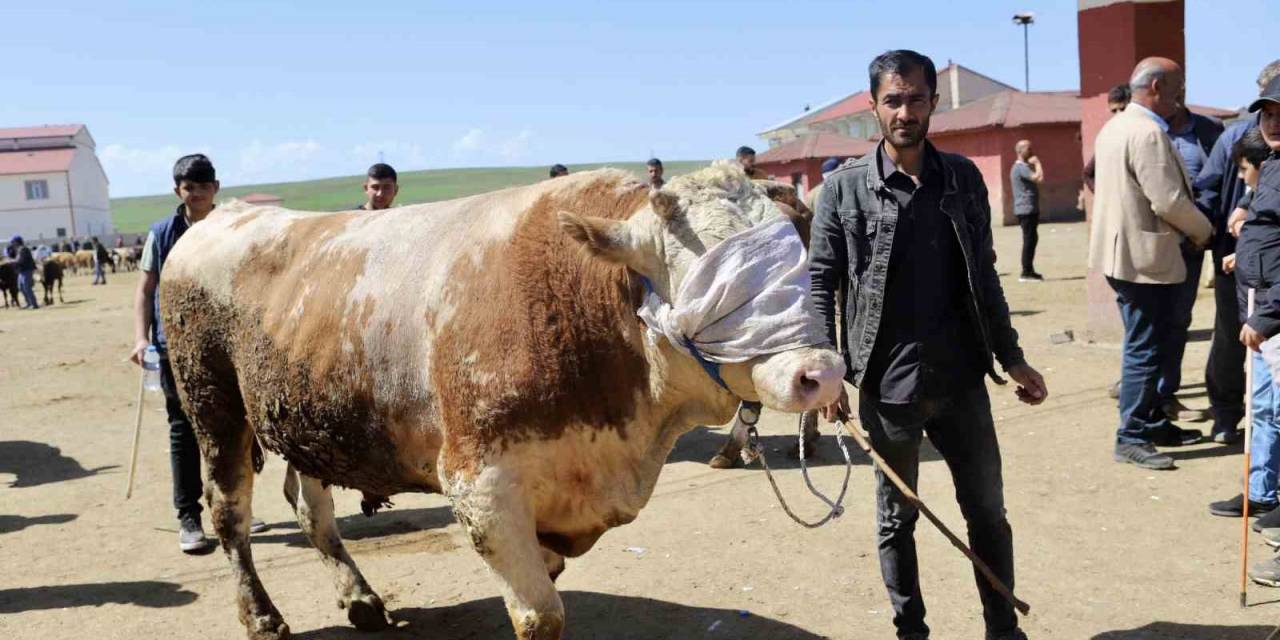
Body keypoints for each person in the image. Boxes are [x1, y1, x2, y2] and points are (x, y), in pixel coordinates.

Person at [811, 49, 1046, 640]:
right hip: (887, 387)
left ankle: (1003, 631)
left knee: (988, 514)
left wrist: (1011, 357)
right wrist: (826, 372)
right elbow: (821, 283)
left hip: (962, 379)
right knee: (897, 520)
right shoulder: (841, 191)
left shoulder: (962, 179)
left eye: (916, 98)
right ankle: (910, 631)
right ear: (874, 107)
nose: (905, 111)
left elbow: (985, 275)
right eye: (893, 99)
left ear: (933, 103)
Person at [129, 154, 266, 554]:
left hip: (230, 349)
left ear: (216, 188)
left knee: (241, 430)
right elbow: (145, 289)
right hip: (177, 348)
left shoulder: (234, 229)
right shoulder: (163, 233)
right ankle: (188, 514)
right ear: (179, 191)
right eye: (190, 187)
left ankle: (235, 503)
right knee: (184, 431)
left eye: (204, 187)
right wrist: (141, 338)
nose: (198, 194)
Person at [1088, 57, 1214, 470]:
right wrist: (1204, 231)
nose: (1181, 97)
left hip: (1125, 254)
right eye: (1177, 89)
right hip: (1143, 258)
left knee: (1152, 344)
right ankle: (1132, 435)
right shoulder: (1145, 133)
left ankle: (1154, 422)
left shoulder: (1118, 126)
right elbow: (1169, 201)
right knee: (1145, 348)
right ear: (1156, 87)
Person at [1196, 59, 1280, 444]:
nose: (1272, 119)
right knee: (1231, 338)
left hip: (1269, 269)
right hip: (1238, 256)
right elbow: (1210, 187)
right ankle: (1226, 417)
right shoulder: (1236, 138)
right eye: (1267, 107)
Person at [1209, 127, 1280, 530]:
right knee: (1264, 408)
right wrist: (1245, 256)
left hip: (1269, 316)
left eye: (1242, 169)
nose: (1240, 177)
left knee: (1273, 408)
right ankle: (1261, 491)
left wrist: (1265, 317)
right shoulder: (1263, 188)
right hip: (1261, 314)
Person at [1084, 84, 1132, 192]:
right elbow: (1088, 174)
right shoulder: (1109, 137)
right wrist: (1103, 196)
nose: (1118, 114)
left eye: (1123, 109)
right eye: (1114, 111)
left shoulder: (1144, 132)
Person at [1010, 140, 1045, 282]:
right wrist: (1037, 163)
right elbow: (1039, 178)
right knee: (1029, 240)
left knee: (1032, 239)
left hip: (1028, 208)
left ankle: (1029, 270)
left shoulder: (1022, 167)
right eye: (1028, 149)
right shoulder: (1020, 167)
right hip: (1026, 209)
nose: (1031, 151)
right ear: (1020, 151)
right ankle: (1026, 272)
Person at [12, 236, 38, 309]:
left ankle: (34, 304)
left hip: (26, 270)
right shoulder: (19, 249)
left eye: (13, 242)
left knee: (27, 287)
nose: (12, 243)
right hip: (21, 271)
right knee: (21, 288)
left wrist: (12, 262)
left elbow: (21, 260)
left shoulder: (23, 249)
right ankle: (29, 303)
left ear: (17, 242)